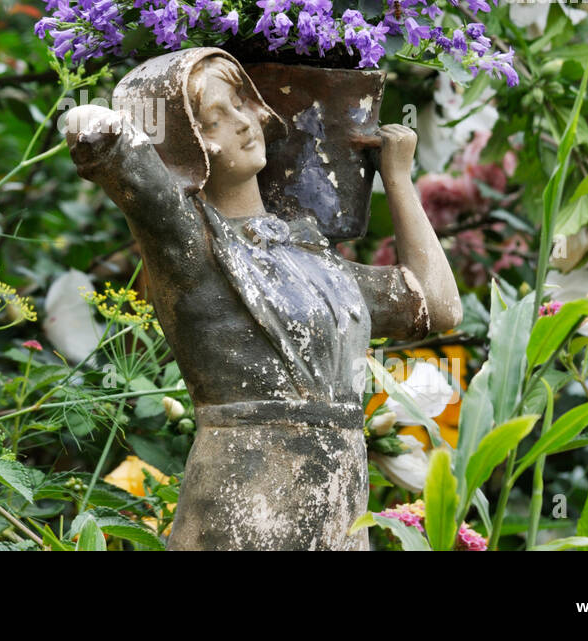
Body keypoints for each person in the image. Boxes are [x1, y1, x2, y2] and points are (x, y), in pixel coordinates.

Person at [63, 47, 460, 550]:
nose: (243, 122)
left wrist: (397, 179)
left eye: (241, 102)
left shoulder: (315, 259)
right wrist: (137, 114)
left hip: (338, 521)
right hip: (243, 508)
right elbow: (97, 134)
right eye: (213, 117)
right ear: (184, 143)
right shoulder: (193, 244)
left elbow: (439, 305)